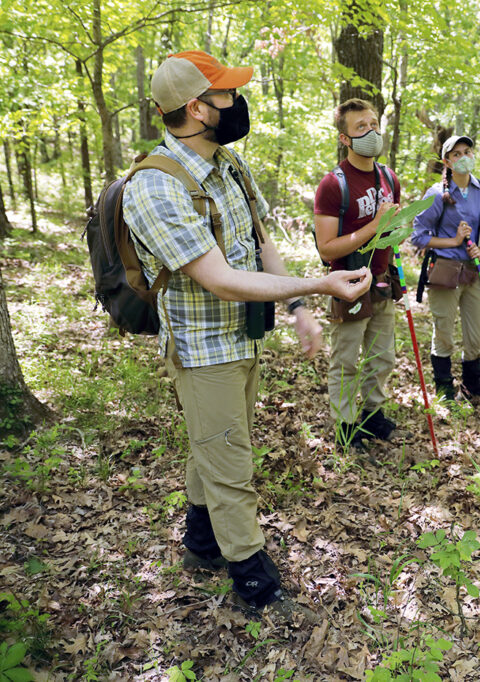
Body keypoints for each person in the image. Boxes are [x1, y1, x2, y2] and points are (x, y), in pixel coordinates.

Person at [123, 50, 372, 620]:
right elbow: (219, 280)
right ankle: (255, 583)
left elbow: (261, 240)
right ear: (196, 108)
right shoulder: (156, 187)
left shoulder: (230, 165)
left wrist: (302, 307)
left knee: (211, 444)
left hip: (244, 342)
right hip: (203, 348)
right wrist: (321, 283)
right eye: (228, 96)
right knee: (232, 467)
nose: (239, 104)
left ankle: (200, 543)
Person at [313, 98, 404, 449]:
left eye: (374, 123)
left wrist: (394, 234)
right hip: (348, 281)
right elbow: (327, 248)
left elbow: (391, 230)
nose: (371, 131)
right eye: (360, 127)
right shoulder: (333, 185)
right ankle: (346, 426)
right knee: (347, 359)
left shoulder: (388, 177)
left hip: (382, 281)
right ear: (345, 139)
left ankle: (372, 414)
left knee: (382, 357)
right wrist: (374, 225)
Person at [411, 135, 480, 402]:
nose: (463, 157)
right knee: (444, 329)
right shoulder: (437, 194)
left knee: (476, 333)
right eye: (456, 154)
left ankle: (472, 385)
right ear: (447, 161)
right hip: (445, 270)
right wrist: (455, 241)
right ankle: (445, 387)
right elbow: (419, 236)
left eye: (467, 151)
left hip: (474, 270)